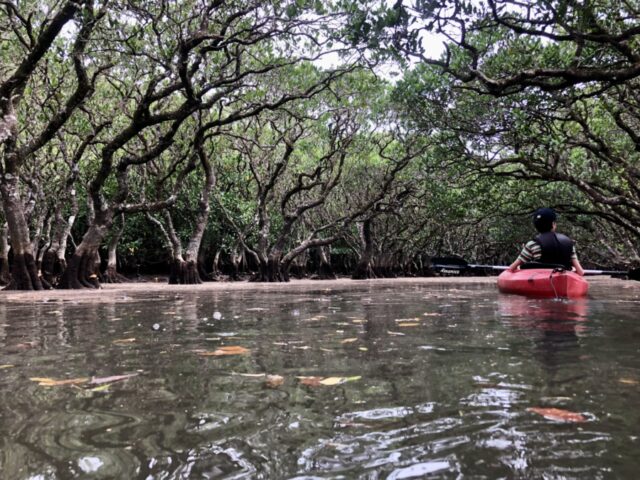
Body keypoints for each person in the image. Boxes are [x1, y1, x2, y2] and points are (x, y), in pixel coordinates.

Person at [508, 208, 585, 276]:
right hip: (562, 279)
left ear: (536, 226)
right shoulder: (569, 243)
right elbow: (580, 272)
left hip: (539, 281)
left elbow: (511, 269)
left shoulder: (532, 244)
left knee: (519, 267)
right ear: (553, 224)